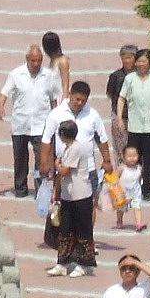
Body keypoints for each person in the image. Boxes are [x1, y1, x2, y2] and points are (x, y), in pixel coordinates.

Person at [0, 44, 62, 202]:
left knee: (42, 159)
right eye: (33, 60)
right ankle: (20, 188)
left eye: (39, 60)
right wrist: (0, 107)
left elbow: (54, 99)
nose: (36, 64)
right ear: (27, 59)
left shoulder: (49, 75)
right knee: (20, 158)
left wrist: (56, 119)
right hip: (20, 124)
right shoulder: (16, 74)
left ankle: (41, 190)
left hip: (41, 125)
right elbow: (4, 92)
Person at [50, 113, 101, 275]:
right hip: (68, 196)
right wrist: (56, 193)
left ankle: (84, 264)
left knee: (83, 230)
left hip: (81, 196)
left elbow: (64, 170)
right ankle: (62, 263)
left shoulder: (77, 148)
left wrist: (57, 164)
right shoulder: (67, 148)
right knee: (65, 230)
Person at [119, 48, 150, 206]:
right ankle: (131, 185)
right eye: (138, 61)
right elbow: (121, 98)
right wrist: (119, 118)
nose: (141, 64)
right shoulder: (130, 78)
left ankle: (146, 190)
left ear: (149, 62)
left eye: (144, 61)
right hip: (135, 126)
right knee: (132, 158)